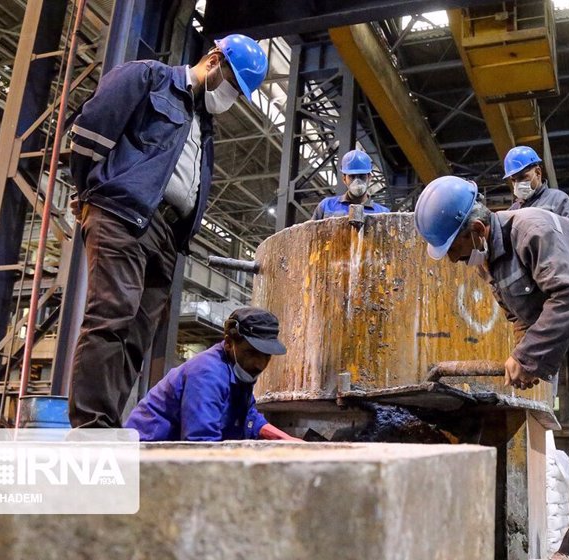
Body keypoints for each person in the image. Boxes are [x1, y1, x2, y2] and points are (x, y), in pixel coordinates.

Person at [414, 176, 569, 560]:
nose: (455, 260)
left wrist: (528, 358)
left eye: (454, 249)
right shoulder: (488, 261)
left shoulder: (533, 229)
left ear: (476, 229)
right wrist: (528, 353)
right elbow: (524, 317)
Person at [66, 34, 269, 428]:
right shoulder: (148, 78)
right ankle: (91, 429)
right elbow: (90, 133)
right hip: (123, 215)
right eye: (232, 84)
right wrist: (91, 192)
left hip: (166, 235)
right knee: (112, 317)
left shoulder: (203, 126)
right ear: (213, 61)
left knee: (137, 336)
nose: (230, 97)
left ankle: (106, 427)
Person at [125, 307, 299, 442]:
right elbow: (201, 441)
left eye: (266, 356)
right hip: (143, 456)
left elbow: (249, 417)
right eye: (251, 353)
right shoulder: (207, 374)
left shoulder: (238, 373)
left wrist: (289, 441)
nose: (259, 364)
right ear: (229, 343)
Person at [503, 146, 569, 226]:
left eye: (523, 177)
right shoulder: (513, 210)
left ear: (538, 173)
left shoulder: (558, 200)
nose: (518, 183)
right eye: (514, 180)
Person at [311, 149, 391, 219]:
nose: (357, 181)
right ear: (344, 179)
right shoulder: (326, 206)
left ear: (369, 177)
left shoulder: (383, 214)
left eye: (362, 176)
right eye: (352, 176)